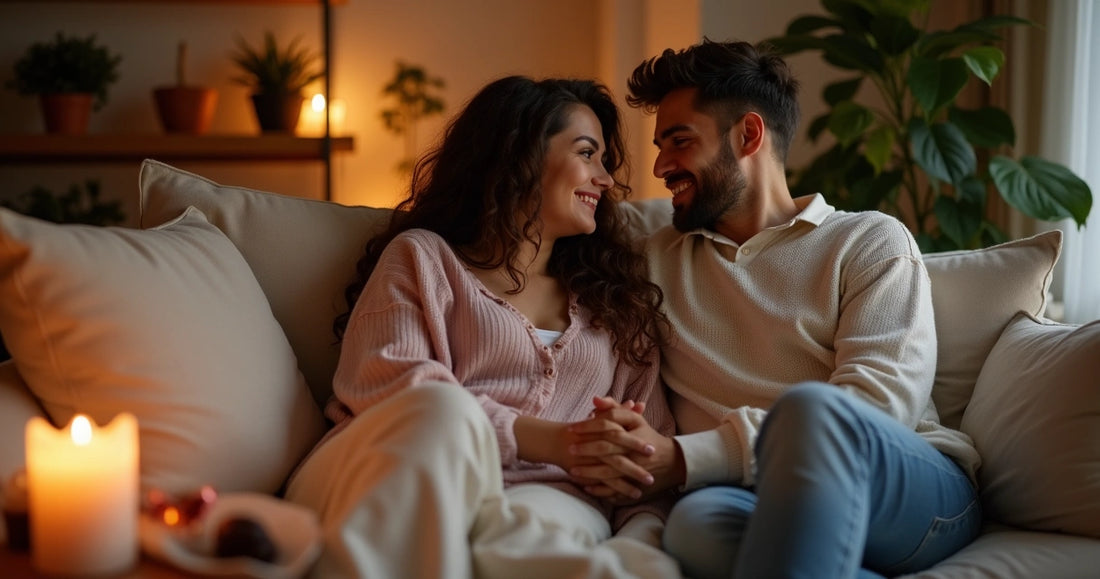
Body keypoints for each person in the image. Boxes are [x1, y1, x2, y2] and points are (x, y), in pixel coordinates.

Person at [568, 39, 983, 578]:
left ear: (748, 134)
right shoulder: (651, 260)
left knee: (813, 412)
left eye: (679, 141)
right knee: (694, 525)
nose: (661, 165)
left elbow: (879, 405)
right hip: (753, 494)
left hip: (911, 487)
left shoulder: (868, 241)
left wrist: (688, 458)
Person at [285, 75, 682, 579]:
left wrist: (641, 540)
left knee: (534, 535)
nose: (605, 179)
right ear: (520, 156)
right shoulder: (425, 259)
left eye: (605, 161)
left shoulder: (619, 305)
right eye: (587, 154)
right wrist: (562, 443)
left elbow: (650, 459)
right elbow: (387, 386)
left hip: (544, 504)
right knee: (441, 409)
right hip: (383, 470)